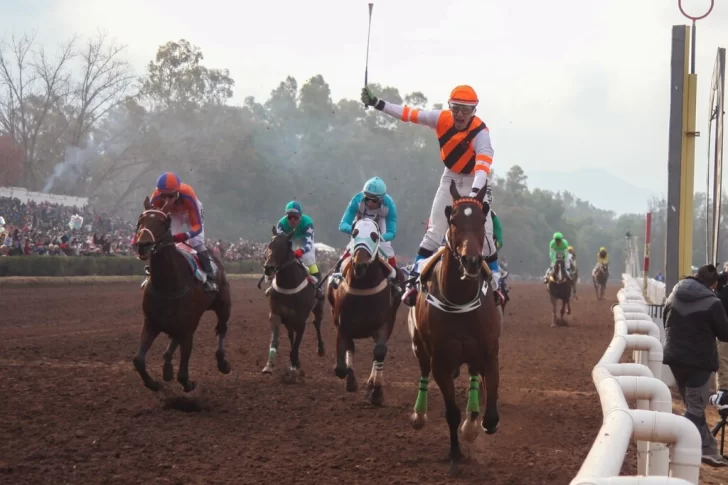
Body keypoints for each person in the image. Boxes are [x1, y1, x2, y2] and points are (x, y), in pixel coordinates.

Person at [361, 84, 495, 307]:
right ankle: (414, 281)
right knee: (434, 231)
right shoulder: (440, 119)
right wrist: (378, 104)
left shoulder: (481, 134)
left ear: (474, 111)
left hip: (475, 180)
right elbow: (408, 114)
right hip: (450, 176)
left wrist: (473, 197)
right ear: (449, 107)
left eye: (466, 110)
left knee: (487, 237)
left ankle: (497, 285)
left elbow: (482, 168)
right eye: (456, 108)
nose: (460, 114)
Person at [663, 264, 728, 466]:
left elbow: (665, 318)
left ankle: (708, 449)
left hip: (674, 360)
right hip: (699, 364)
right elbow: (725, 334)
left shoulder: (676, 292)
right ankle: (674, 444)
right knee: (694, 409)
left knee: (694, 407)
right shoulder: (712, 302)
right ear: (714, 284)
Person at [332, 176, 401, 296]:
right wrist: (354, 231)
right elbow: (342, 225)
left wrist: (379, 238)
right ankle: (338, 274)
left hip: (380, 224)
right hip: (361, 222)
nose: (369, 203)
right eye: (367, 198)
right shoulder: (357, 200)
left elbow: (392, 232)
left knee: (387, 248)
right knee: (352, 246)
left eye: (374, 200)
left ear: (381, 199)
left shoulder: (389, 205)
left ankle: (395, 282)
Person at [149, 172, 218, 292]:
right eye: (163, 196)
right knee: (162, 239)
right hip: (173, 214)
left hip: (190, 211)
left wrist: (186, 235)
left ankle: (211, 278)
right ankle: (153, 273)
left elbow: (197, 226)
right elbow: (152, 223)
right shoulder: (155, 198)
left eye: (170, 196)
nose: (166, 200)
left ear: (178, 192)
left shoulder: (188, 194)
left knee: (196, 241)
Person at [276, 201, 323, 299]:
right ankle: (272, 283)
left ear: (300, 216)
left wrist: (301, 250)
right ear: (286, 217)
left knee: (308, 258)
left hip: (304, 240)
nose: (292, 220)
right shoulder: (281, 224)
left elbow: (308, 243)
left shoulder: (308, 222)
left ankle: (318, 286)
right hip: (290, 240)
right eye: (289, 217)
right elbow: (281, 244)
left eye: (295, 217)